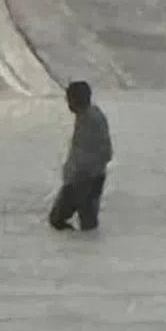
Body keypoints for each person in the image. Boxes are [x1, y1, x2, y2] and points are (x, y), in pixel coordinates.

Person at [49, 81, 113, 231]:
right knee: (86, 221)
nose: (68, 103)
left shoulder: (91, 119)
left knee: (60, 219)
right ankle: (85, 250)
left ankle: (78, 250)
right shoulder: (87, 116)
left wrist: (82, 173)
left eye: (69, 99)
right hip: (86, 177)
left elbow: (104, 151)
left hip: (85, 178)